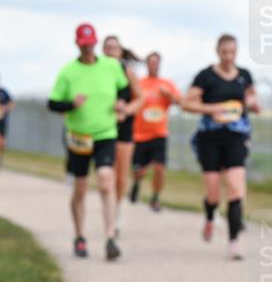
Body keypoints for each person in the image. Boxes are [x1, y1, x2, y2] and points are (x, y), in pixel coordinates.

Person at [48, 23, 135, 260]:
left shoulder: (111, 66)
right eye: (84, 44)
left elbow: (125, 90)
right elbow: (52, 103)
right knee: (80, 189)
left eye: (91, 44)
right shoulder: (68, 72)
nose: (88, 48)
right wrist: (71, 104)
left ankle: (110, 237)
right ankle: (79, 236)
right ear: (77, 44)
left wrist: (121, 103)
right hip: (79, 137)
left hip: (106, 132)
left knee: (106, 180)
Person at [182, 34, 260, 260]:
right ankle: (210, 216)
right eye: (224, 52)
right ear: (218, 52)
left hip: (237, 137)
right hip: (210, 138)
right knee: (214, 192)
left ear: (237, 52)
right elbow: (187, 104)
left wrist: (254, 106)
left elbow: (251, 99)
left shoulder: (244, 76)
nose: (228, 56)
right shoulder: (206, 76)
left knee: (236, 189)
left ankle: (233, 242)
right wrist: (213, 109)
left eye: (232, 52)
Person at [130, 51, 182, 212]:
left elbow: (180, 101)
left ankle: (155, 198)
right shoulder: (139, 83)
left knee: (159, 168)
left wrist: (169, 95)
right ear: (147, 64)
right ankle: (137, 183)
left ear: (160, 64)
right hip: (139, 133)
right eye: (150, 62)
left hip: (159, 132)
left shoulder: (166, 84)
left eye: (156, 62)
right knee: (139, 170)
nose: (153, 65)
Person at [102, 36, 143, 235]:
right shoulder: (97, 71)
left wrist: (126, 110)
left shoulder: (127, 72)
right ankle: (108, 211)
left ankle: (117, 209)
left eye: (114, 48)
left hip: (123, 128)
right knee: (105, 173)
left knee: (120, 175)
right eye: (107, 48)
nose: (110, 51)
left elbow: (140, 99)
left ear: (120, 52)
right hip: (101, 127)